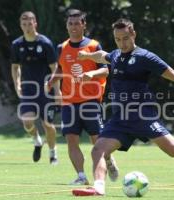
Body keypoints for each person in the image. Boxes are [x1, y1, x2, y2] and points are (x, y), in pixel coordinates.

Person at [71, 18, 174, 196]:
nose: (122, 43)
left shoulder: (145, 57)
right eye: (118, 39)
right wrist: (88, 56)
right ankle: (98, 188)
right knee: (98, 149)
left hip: (143, 117)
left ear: (133, 34)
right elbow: (103, 56)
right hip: (120, 120)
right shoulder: (116, 55)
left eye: (125, 38)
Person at [45, 9, 119, 185]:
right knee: (71, 139)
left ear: (84, 25)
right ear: (67, 25)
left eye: (77, 23)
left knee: (97, 141)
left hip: (91, 101)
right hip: (69, 101)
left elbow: (106, 70)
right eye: (70, 23)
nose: (73, 27)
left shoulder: (94, 45)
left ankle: (108, 160)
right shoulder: (61, 47)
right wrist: (50, 82)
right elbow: (61, 69)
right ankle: (81, 176)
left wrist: (92, 73)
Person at [11, 11, 60, 165]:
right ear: (20, 25)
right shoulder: (17, 45)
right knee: (27, 121)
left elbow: (54, 68)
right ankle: (37, 140)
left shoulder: (45, 43)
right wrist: (17, 83)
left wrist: (57, 91)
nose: (27, 27)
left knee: (49, 125)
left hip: (46, 90)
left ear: (35, 24)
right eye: (24, 24)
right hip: (28, 90)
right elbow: (15, 67)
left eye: (30, 24)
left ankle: (53, 153)